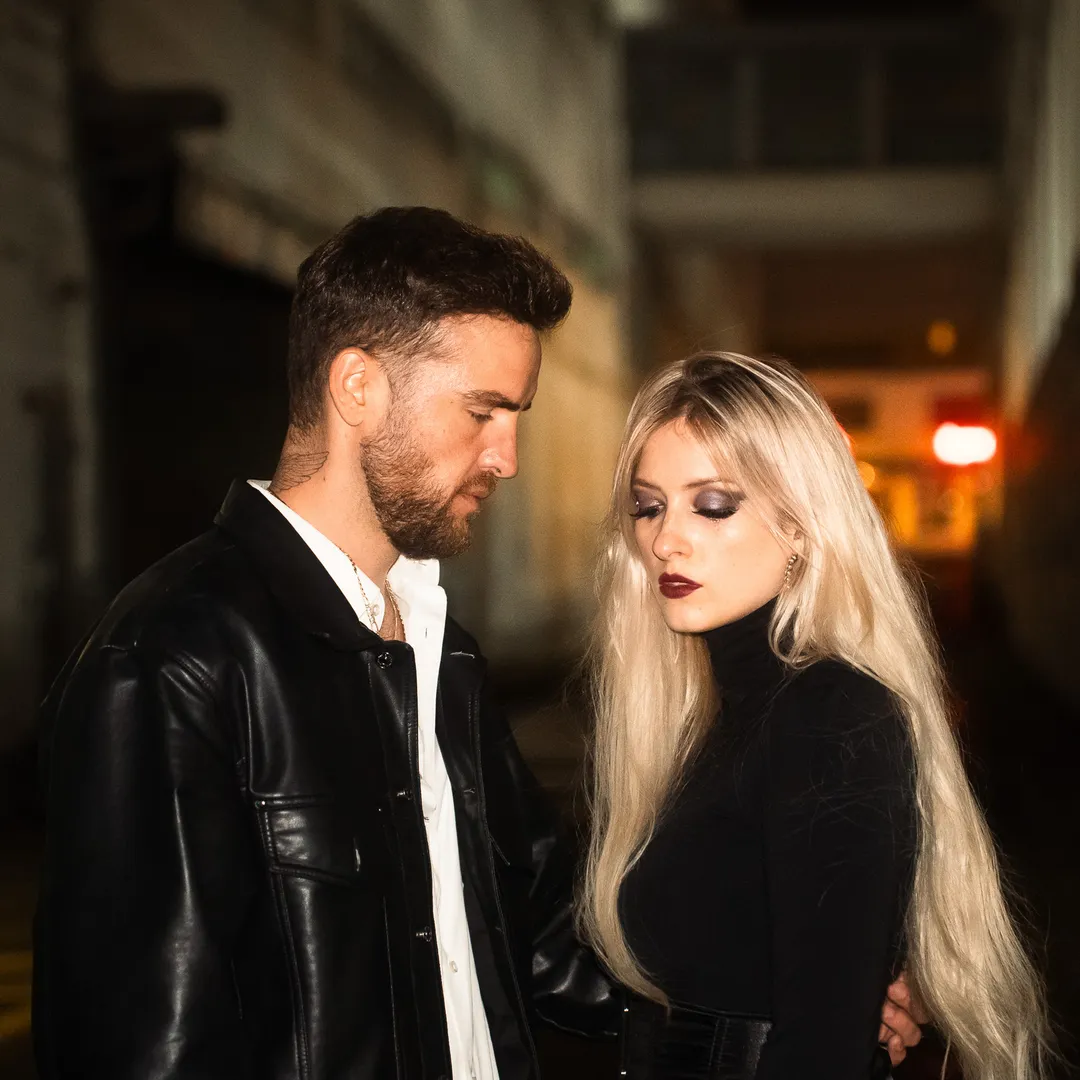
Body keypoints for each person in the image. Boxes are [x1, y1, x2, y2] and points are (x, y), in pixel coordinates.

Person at [32, 210, 923, 1079]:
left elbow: (538, 931)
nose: (508, 457)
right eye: (482, 412)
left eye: (517, 415)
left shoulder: (435, 645)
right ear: (358, 388)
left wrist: (791, 987)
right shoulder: (173, 655)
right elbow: (141, 1042)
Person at [580, 352, 1050, 1080]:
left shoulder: (830, 714)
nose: (666, 538)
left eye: (713, 505)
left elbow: (820, 1048)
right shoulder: (706, 721)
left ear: (800, 526)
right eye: (649, 506)